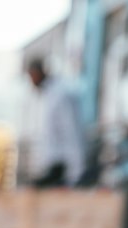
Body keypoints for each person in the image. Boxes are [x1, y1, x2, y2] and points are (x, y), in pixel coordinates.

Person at [25, 58, 86, 187]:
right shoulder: (47, 94)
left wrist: (76, 171)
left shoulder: (60, 94)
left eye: (32, 75)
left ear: (38, 72)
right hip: (50, 163)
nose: (31, 80)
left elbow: (71, 132)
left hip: (62, 166)